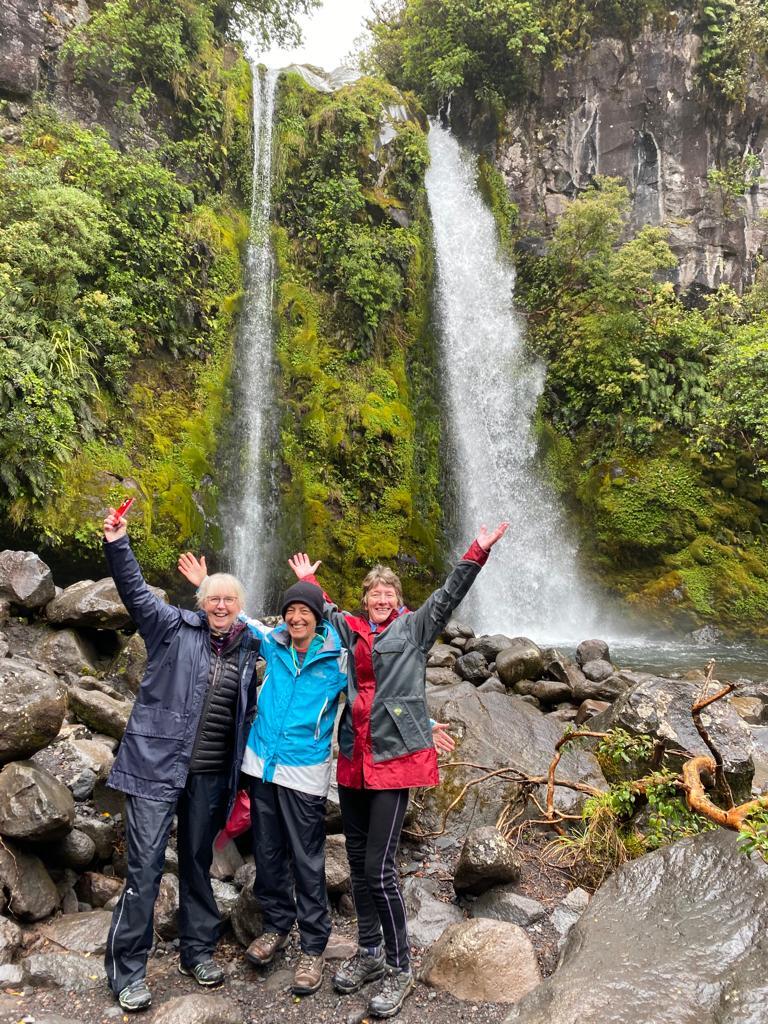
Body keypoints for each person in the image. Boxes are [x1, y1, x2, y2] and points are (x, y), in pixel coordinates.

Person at [289, 522, 508, 1019]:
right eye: (374, 594)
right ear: (365, 600)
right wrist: (307, 582)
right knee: (362, 861)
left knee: (378, 871)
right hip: (353, 758)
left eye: (388, 593)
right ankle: (368, 952)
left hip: (394, 758)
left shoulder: (415, 627)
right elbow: (321, 609)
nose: (381, 599)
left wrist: (478, 550)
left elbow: (451, 592)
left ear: (398, 599)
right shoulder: (352, 628)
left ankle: (399, 965)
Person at [102, 510, 261, 1013]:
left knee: (196, 865)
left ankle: (197, 952)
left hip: (211, 777)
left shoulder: (247, 649)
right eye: (213, 597)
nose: (220, 605)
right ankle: (128, 971)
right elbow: (136, 592)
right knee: (146, 868)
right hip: (154, 766)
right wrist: (119, 543)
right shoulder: (171, 627)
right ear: (200, 602)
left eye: (229, 599)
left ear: (240, 607)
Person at [176, 559, 349, 997]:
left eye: (304, 611)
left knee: (307, 861)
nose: (295, 618)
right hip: (261, 768)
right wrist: (206, 585)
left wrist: (418, 724)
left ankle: (314, 945)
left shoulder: (337, 659)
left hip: (305, 772)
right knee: (269, 855)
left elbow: (372, 690)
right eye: (290, 611)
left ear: (316, 615)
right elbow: (237, 616)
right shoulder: (271, 643)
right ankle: (276, 925)